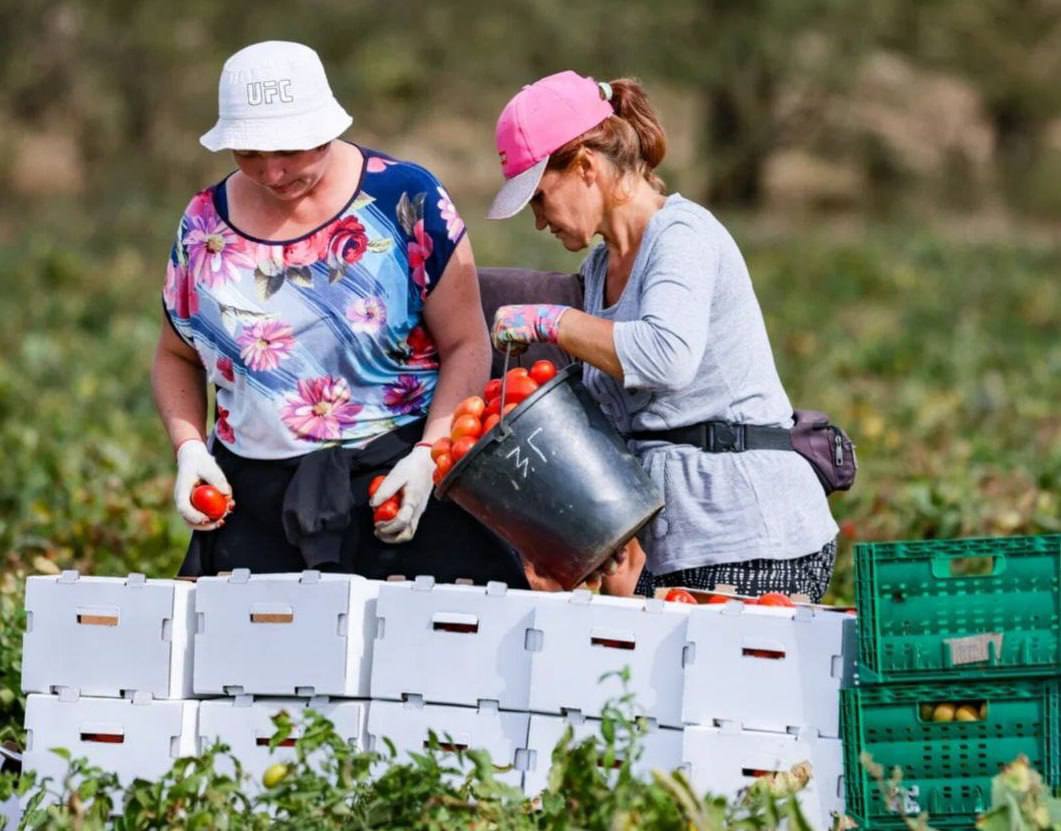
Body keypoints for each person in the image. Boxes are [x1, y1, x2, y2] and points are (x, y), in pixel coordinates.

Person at [151, 40, 528, 587]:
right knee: (256, 665)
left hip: (396, 482)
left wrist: (431, 455)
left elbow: (466, 344)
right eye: (250, 153)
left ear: (326, 128)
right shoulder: (204, 224)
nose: (272, 173)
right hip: (253, 502)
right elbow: (174, 355)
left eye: (289, 150)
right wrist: (189, 448)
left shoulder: (405, 200)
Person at [486, 71, 839, 600]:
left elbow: (666, 357)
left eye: (540, 198)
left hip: (749, 538)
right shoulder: (602, 265)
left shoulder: (683, 236)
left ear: (585, 166)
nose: (540, 222)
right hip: (671, 546)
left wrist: (551, 323)